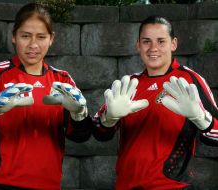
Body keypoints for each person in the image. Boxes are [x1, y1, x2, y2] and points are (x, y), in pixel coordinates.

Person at [0, 3, 92, 190]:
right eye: (25, 36)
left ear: (51, 39)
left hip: (48, 185)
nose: (33, 45)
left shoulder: (62, 80)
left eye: (41, 37)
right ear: (14, 36)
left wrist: (79, 114)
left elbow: (80, 136)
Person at [92, 16, 218, 190]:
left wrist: (200, 118)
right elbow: (98, 132)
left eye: (161, 41)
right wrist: (108, 118)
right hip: (125, 185)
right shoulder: (129, 84)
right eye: (146, 41)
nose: (153, 48)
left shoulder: (190, 81)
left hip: (171, 185)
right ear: (138, 45)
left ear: (173, 44)